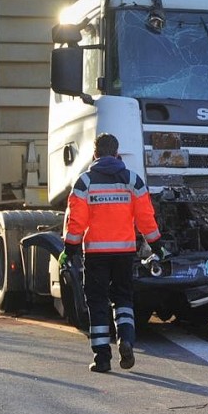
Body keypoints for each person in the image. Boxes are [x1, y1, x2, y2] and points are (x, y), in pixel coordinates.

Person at [60, 133, 162, 373]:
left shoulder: (84, 182)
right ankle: (126, 339)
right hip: (124, 253)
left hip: (95, 253)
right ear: (117, 154)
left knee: (97, 303)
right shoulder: (132, 181)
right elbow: (146, 218)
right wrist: (156, 244)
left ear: (95, 155)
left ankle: (102, 359)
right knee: (123, 298)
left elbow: (76, 222)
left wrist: (70, 248)